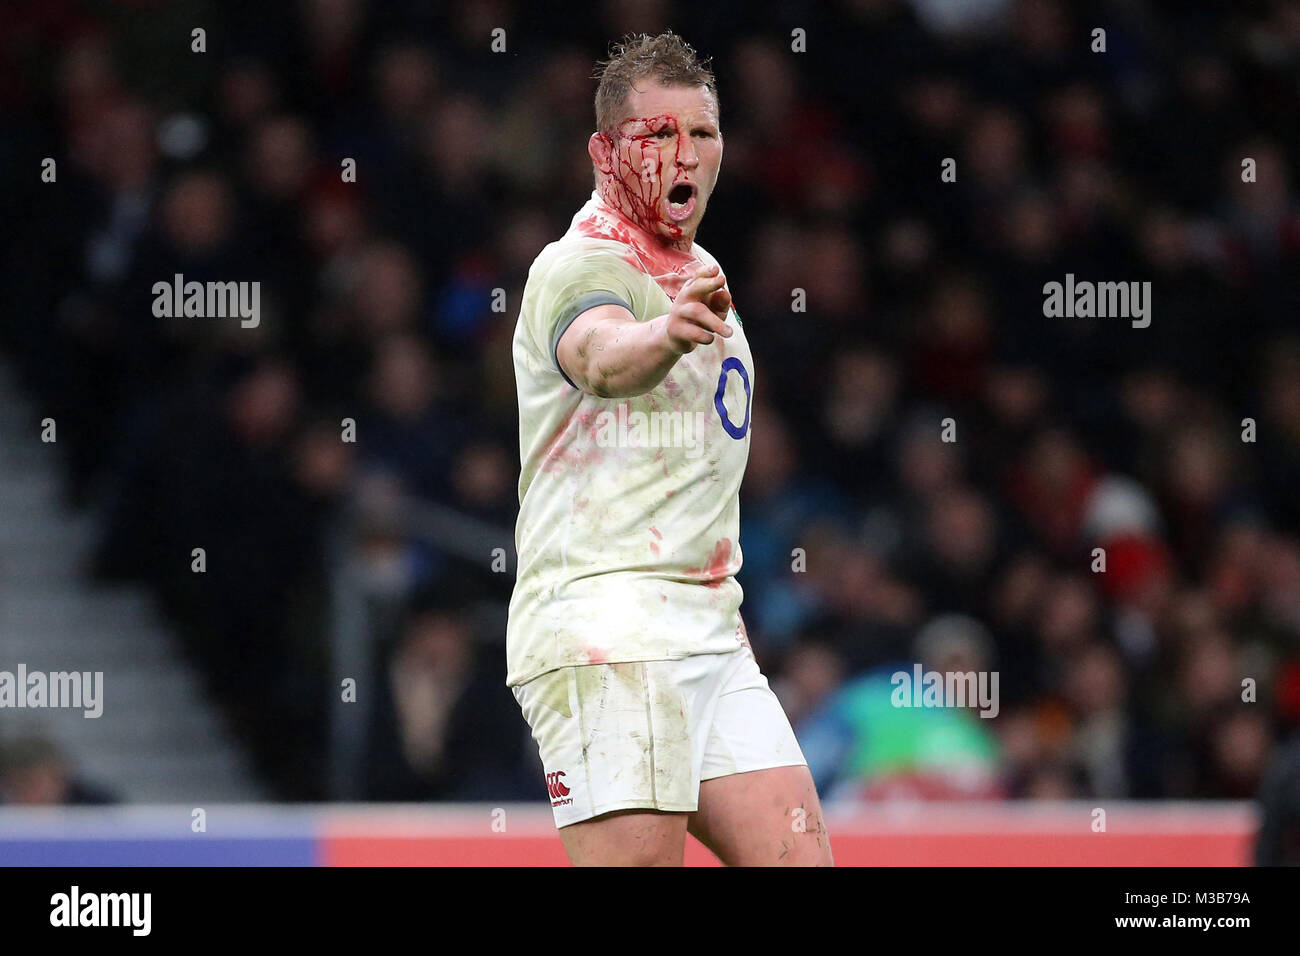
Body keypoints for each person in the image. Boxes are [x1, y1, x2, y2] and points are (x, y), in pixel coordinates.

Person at [506, 31, 832, 866]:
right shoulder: (579, 263)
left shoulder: (701, 265)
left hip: (709, 629)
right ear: (604, 150)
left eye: (704, 133)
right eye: (657, 135)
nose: (684, 153)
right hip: (606, 625)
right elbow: (600, 356)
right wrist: (662, 336)